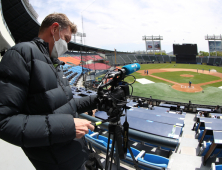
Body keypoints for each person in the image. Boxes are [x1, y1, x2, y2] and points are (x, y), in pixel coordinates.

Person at [0, 13, 96, 170]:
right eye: (66, 39)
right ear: (55, 29)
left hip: (76, 155)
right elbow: (4, 122)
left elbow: (66, 106)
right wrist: (67, 127)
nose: (66, 45)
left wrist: (97, 99)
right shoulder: (21, 54)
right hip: (57, 163)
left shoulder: (52, 63)